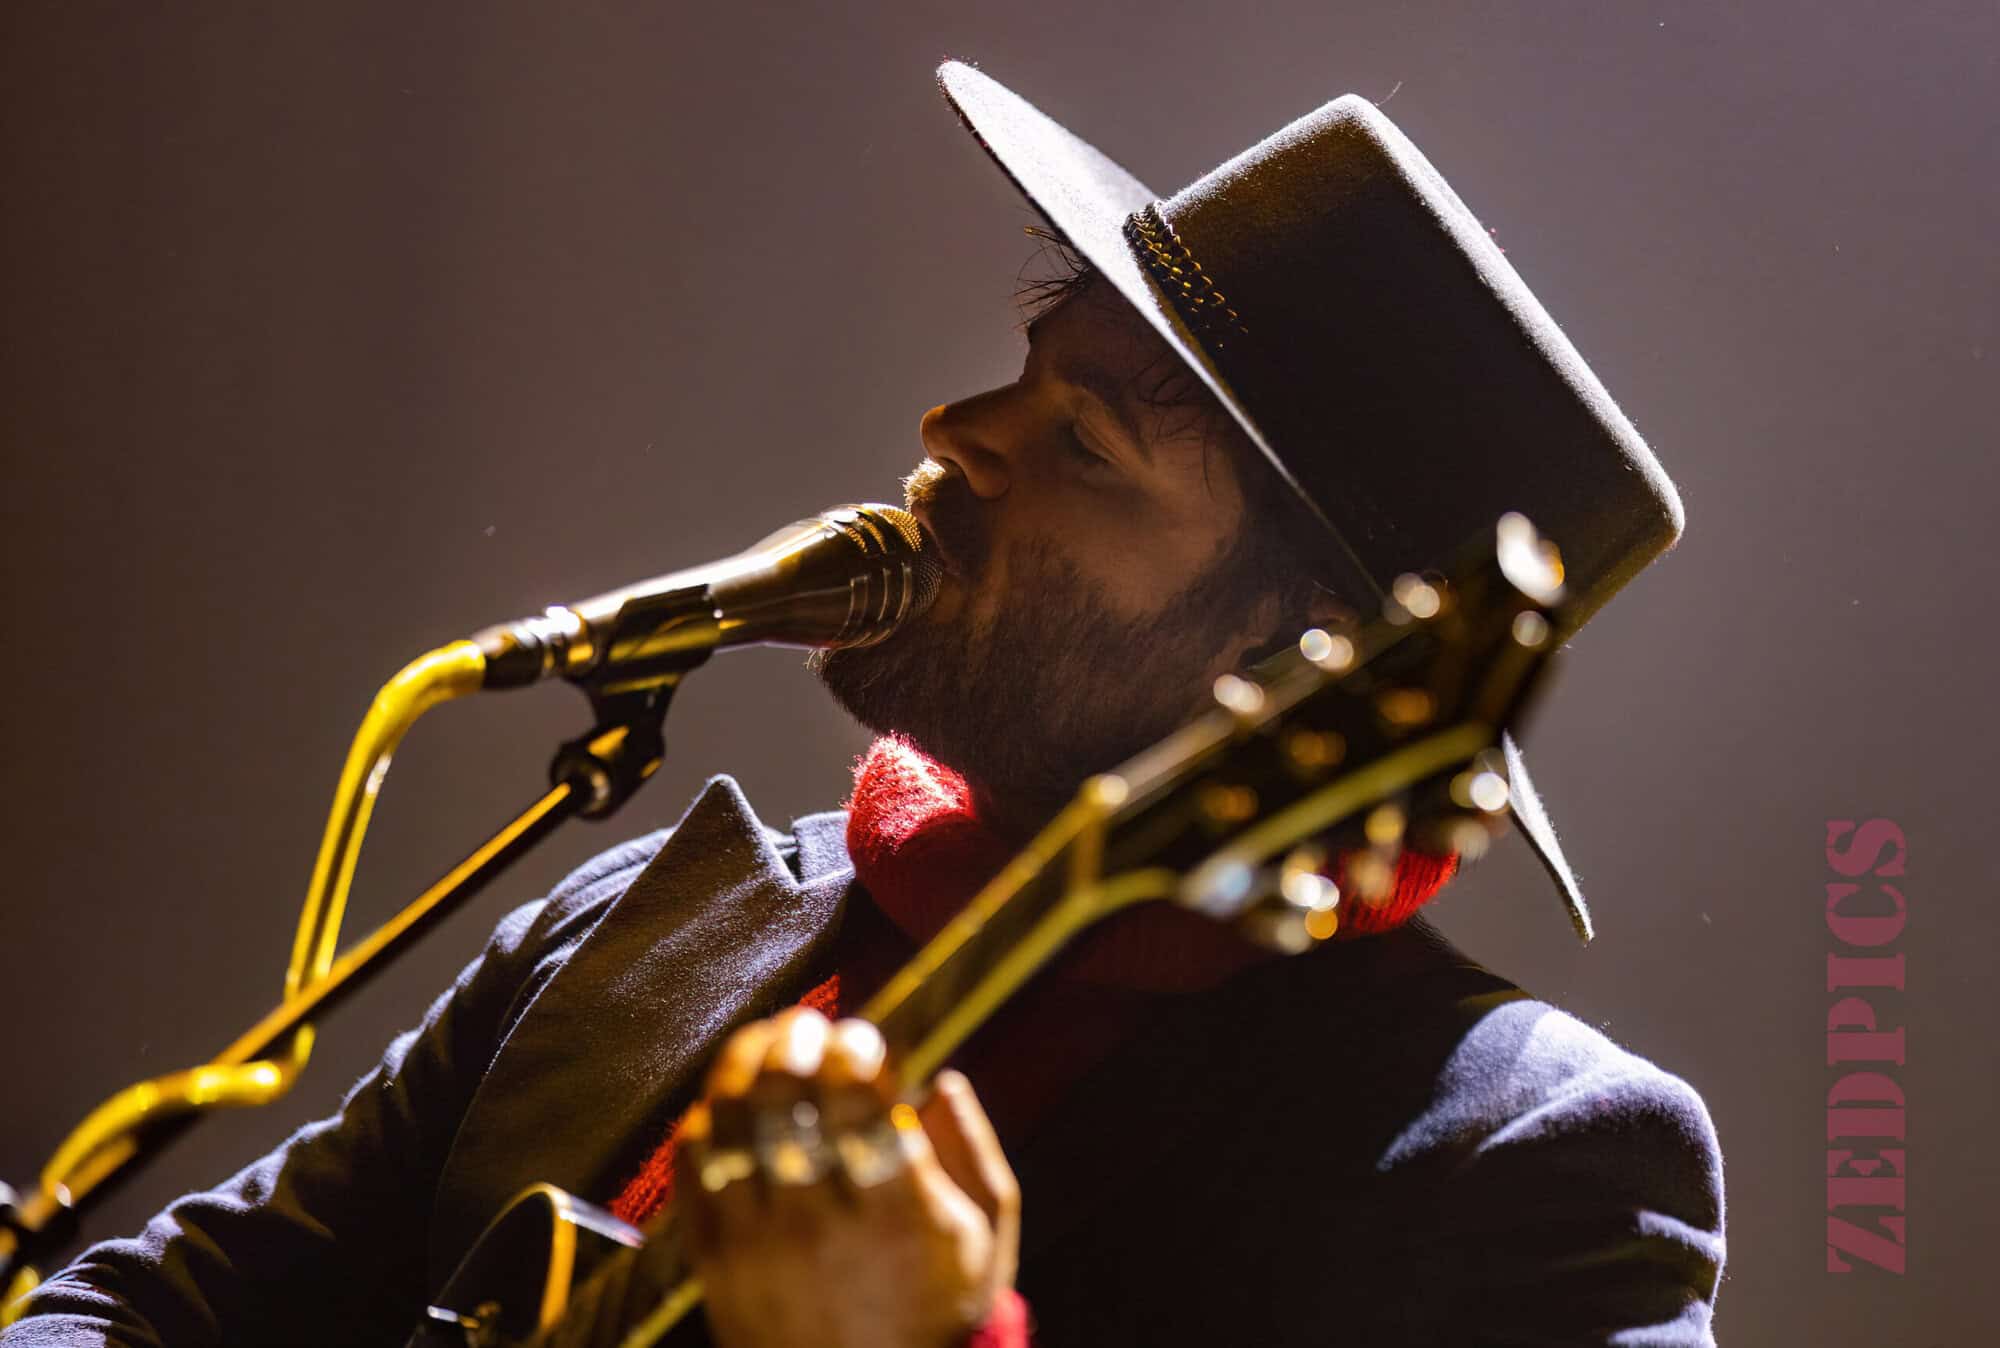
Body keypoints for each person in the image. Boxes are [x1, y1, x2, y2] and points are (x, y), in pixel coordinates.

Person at [1, 60, 1725, 1347]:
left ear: (1294, 671)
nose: (953, 435)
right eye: (1020, 382)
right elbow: (141, 1306)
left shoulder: (1532, 1168)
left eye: (1084, 446)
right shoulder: (650, 913)